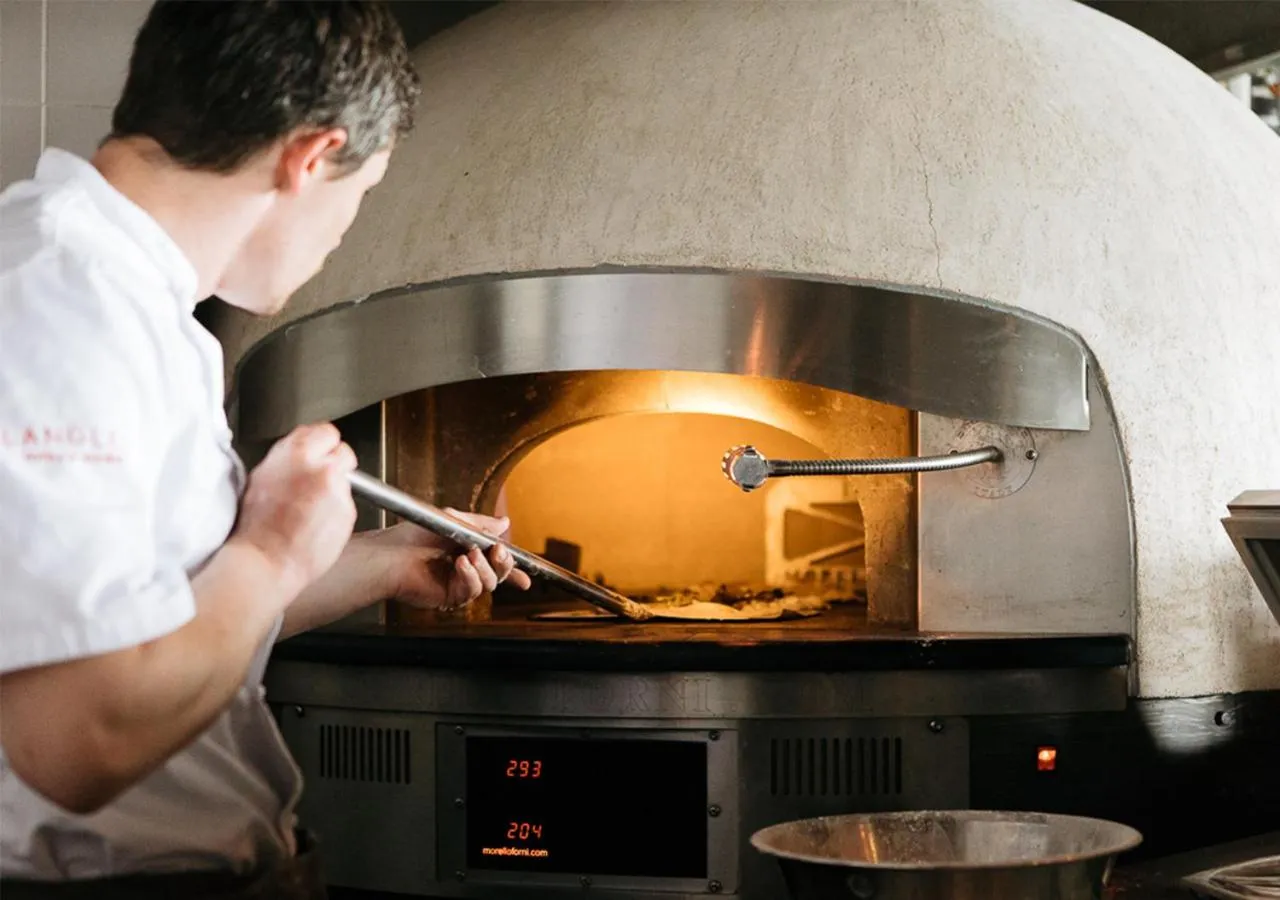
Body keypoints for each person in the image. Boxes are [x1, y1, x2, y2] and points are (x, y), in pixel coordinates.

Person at [0, 2, 531, 896]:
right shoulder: (62, 305)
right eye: (359, 197)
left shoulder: (122, 294)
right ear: (311, 156)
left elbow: (157, 620)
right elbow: (77, 736)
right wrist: (276, 545)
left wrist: (371, 562)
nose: (340, 234)